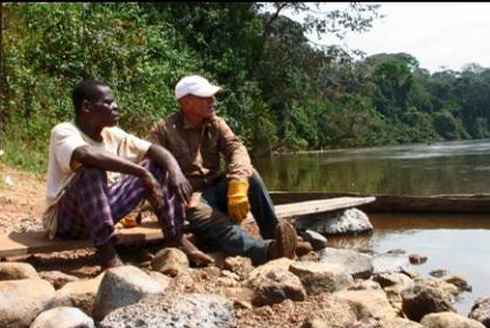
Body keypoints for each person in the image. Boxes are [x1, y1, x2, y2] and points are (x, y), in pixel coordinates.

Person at [42, 79, 213, 269]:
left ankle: (175, 237)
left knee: (157, 165)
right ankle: (107, 254)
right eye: (108, 103)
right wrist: (141, 172)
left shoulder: (112, 133)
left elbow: (154, 150)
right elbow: (86, 154)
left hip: (102, 210)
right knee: (91, 170)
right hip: (68, 221)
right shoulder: (64, 131)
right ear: (86, 107)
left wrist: (176, 172)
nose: (116, 107)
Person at [147, 75, 304, 266]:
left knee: (250, 176)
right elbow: (148, 165)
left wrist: (238, 184)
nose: (212, 101)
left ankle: (277, 236)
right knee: (213, 219)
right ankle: (268, 251)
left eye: (212, 96)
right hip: (186, 201)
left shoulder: (216, 124)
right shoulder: (162, 130)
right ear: (185, 102)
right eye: (205, 97)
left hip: (212, 190)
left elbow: (237, 150)